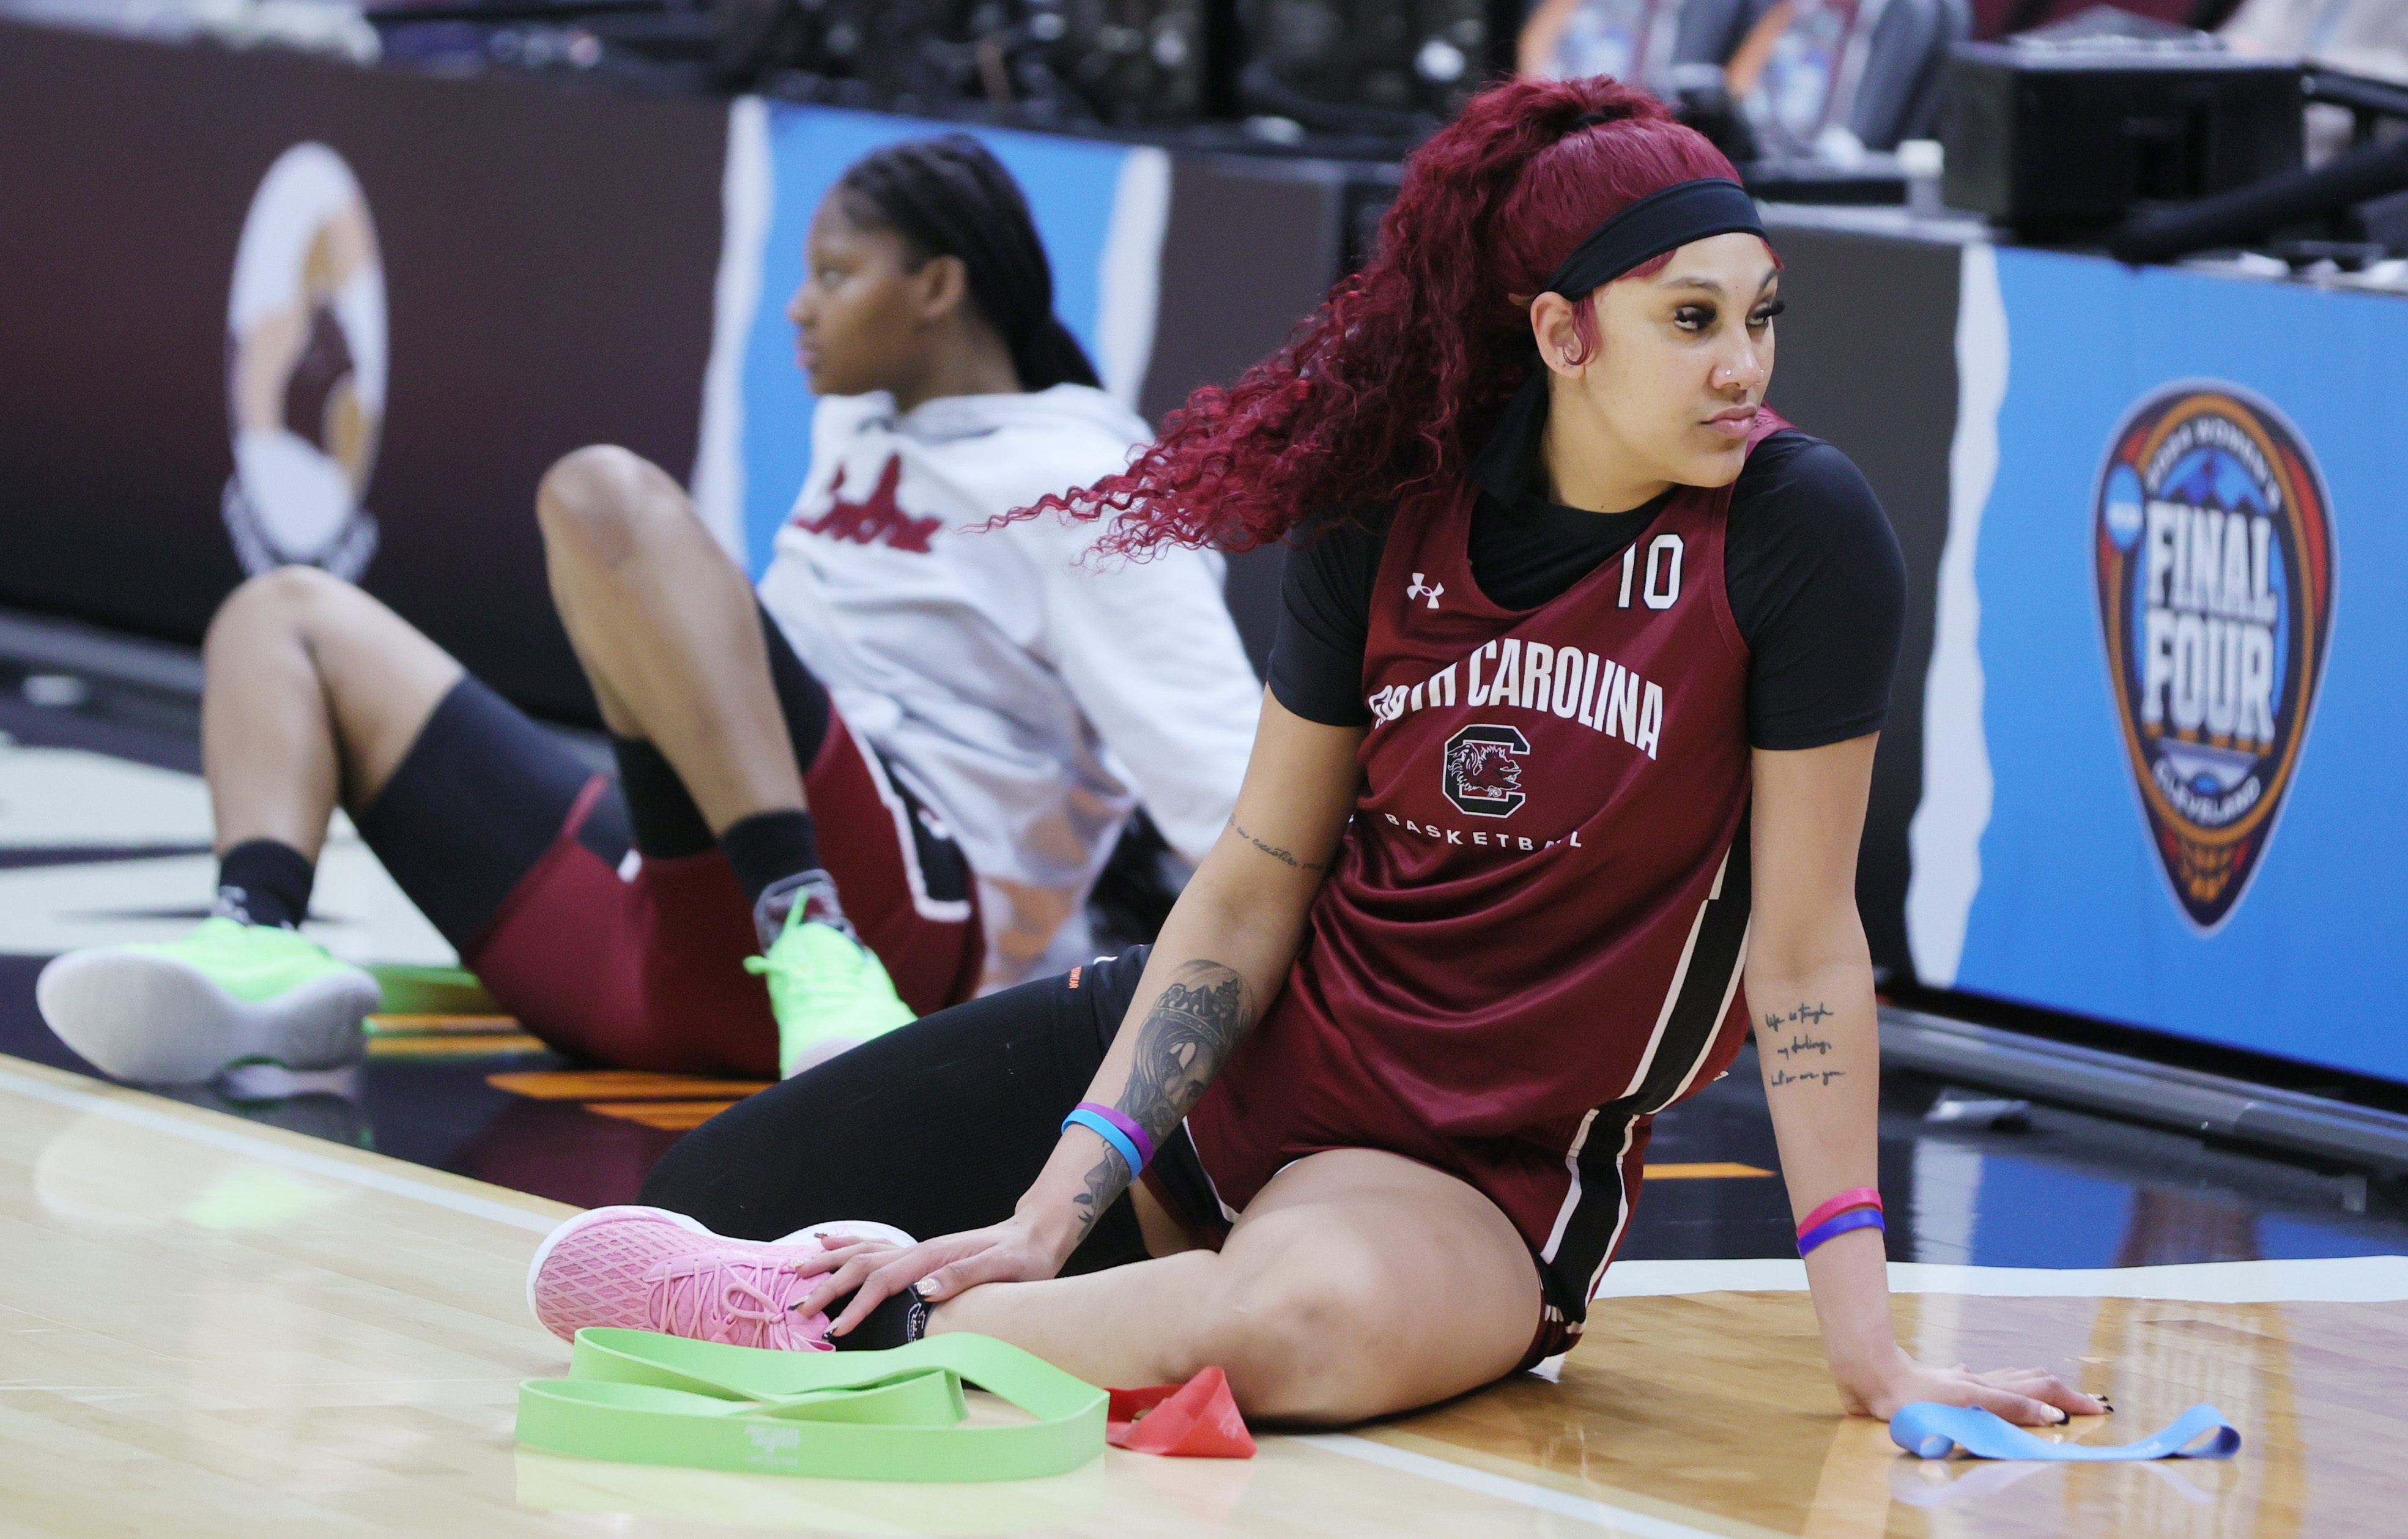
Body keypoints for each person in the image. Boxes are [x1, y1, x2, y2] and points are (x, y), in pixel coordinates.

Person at [525, 78, 2104, 1430]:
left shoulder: (1793, 530)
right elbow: (1258, 868)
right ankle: (1035, 1280)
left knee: (1284, 1327)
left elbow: (1810, 950)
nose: (1742, 368)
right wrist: (1059, 1197)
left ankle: (877, 1340)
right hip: (1243, 1063)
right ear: (1560, 330)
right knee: (668, 1228)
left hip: (1468, 1169)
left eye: (1759, 317)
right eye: (1690, 322)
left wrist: (1871, 1347)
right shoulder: (1392, 513)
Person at [37, 135, 1260, 1086]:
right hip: (674, 958)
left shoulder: (1095, 485)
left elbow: (1222, 782)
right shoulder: (863, 434)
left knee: (601, 494)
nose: (800, 307)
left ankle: (808, 929)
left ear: (938, 287)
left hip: (907, 947)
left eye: (834, 275)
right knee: (281, 612)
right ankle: (258, 942)